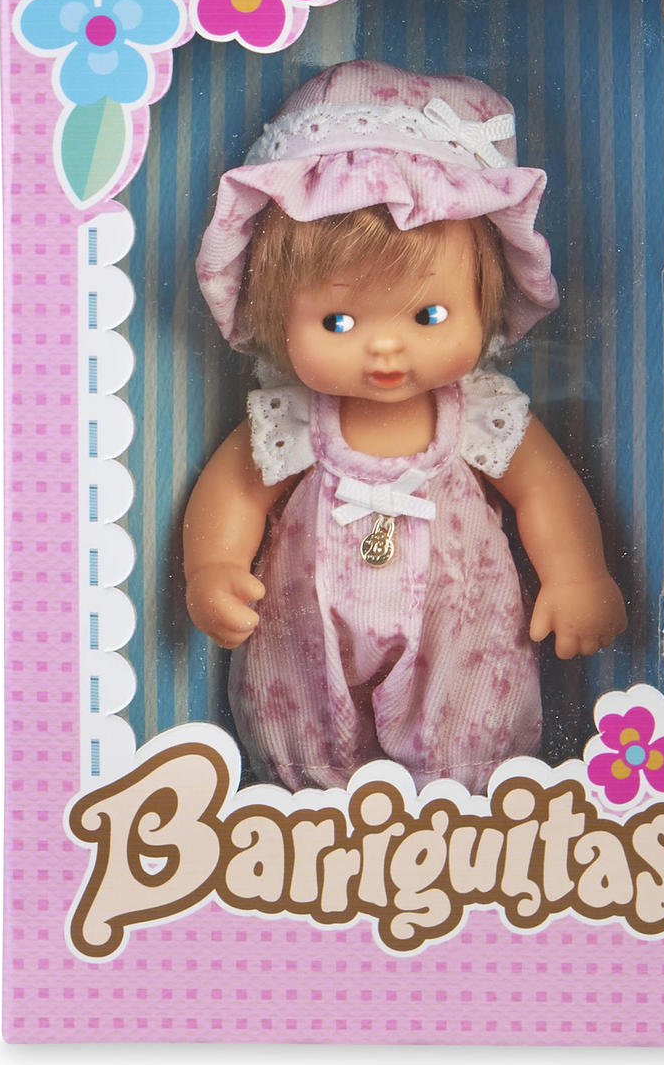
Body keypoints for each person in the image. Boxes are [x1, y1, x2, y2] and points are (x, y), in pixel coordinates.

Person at [185, 60, 625, 792]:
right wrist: (213, 569)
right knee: (302, 706)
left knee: (470, 695)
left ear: (488, 297)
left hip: (458, 628)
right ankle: (312, 797)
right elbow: (236, 488)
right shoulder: (293, 417)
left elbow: (543, 488)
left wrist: (577, 574)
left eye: (428, 315)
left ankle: (466, 791)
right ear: (274, 311)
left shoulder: (479, 412)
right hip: (309, 638)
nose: (385, 348)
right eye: (338, 322)